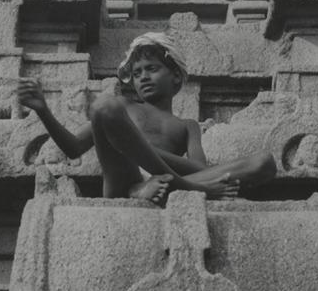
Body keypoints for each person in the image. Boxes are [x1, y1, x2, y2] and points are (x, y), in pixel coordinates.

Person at [17, 33, 276, 204]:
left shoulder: (187, 126)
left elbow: (202, 170)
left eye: (152, 69)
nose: (142, 77)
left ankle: (156, 189)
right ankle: (157, 190)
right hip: (124, 181)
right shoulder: (124, 106)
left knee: (264, 162)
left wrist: (138, 148)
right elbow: (73, 149)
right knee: (104, 105)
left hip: (168, 183)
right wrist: (43, 110)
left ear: (175, 76)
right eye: (137, 72)